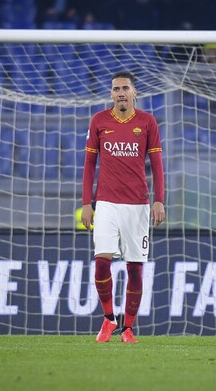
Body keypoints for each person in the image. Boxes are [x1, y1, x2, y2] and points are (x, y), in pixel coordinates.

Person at [81, 71, 165, 344]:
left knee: (135, 268)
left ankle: (128, 328)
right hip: (106, 202)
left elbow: (157, 165)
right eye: (116, 89)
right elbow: (89, 164)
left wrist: (159, 199)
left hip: (137, 204)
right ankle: (109, 318)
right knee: (101, 262)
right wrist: (86, 203)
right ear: (111, 94)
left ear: (134, 92)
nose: (120, 93)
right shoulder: (99, 120)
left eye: (125, 88)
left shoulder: (147, 122)